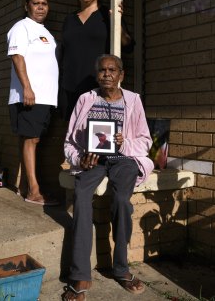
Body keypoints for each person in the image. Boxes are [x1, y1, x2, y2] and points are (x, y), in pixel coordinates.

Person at [61, 54, 152, 300]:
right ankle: (80, 274)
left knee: (122, 201)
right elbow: (70, 141)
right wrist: (79, 159)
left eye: (113, 70)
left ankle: (121, 269)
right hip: (93, 161)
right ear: (97, 75)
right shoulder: (86, 99)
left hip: (124, 160)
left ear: (121, 75)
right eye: (102, 70)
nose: (107, 74)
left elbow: (145, 142)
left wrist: (126, 143)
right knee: (81, 197)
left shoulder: (133, 101)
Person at [58, 0, 135, 120]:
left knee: (97, 135)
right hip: (70, 87)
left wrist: (116, 21)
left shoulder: (107, 14)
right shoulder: (69, 19)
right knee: (72, 136)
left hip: (98, 86)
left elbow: (128, 45)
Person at [7, 0, 59, 206]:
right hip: (30, 96)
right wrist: (27, 88)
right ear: (26, 5)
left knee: (33, 139)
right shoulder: (21, 27)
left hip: (46, 98)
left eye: (44, 4)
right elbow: (17, 57)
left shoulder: (45, 31)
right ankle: (34, 191)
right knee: (32, 139)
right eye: (36, 3)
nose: (40, 7)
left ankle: (25, 187)